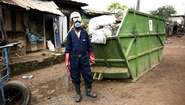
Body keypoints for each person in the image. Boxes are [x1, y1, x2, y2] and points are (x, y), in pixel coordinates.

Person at [65, 11, 97, 102]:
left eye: (78, 19)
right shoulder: (70, 34)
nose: (77, 21)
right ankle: (78, 94)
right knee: (75, 76)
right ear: (72, 22)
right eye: (74, 20)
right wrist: (67, 62)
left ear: (80, 20)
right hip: (74, 59)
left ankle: (89, 91)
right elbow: (67, 49)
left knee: (88, 75)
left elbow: (89, 46)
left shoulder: (84, 33)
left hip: (84, 58)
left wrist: (92, 57)